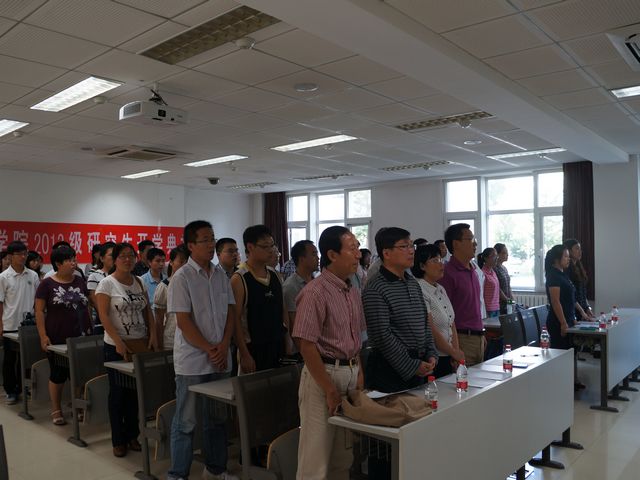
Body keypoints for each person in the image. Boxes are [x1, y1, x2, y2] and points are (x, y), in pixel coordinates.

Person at [293, 226, 365, 480]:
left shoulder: (352, 289)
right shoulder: (315, 292)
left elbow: (355, 337)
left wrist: (359, 372)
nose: (358, 255)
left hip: (349, 373)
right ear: (333, 255)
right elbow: (306, 345)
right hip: (323, 375)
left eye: (358, 248)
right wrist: (329, 389)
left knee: (342, 458)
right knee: (316, 460)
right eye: (352, 249)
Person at [167, 221, 237, 480]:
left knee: (216, 419)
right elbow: (184, 322)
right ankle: (178, 474)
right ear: (191, 245)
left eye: (212, 239)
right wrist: (210, 349)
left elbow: (230, 312)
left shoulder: (221, 275)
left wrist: (224, 345)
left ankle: (215, 469)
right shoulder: (182, 278)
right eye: (205, 240)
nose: (211, 244)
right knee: (186, 421)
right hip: (193, 362)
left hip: (220, 358)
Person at [95, 242, 156, 458]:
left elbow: (147, 311)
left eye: (131, 255)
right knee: (118, 394)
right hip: (116, 347)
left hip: (139, 343)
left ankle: (132, 435)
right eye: (122, 256)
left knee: (134, 393)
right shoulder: (107, 283)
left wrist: (153, 334)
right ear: (114, 260)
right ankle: (118, 440)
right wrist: (117, 340)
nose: (128, 260)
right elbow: (103, 315)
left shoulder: (139, 281)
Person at [363, 227, 438, 393]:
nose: (411, 251)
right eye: (404, 246)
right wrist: (411, 365)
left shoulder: (413, 283)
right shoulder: (375, 288)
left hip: (419, 365)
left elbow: (425, 323)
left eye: (412, 246)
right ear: (386, 253)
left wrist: (431, 353)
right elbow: (382, 336)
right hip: (389, 370)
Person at [35, 246, 91, 425]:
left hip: (81, 335)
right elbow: (39, 311)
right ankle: (56, 408)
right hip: (57, 337)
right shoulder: (46, 284)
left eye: (74, 259)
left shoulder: (80, 280)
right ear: (58, 264)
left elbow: (88, 306)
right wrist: (43, 336)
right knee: (58, 374)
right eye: (69, 260)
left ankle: (77, 405)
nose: (74, 263)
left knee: (80, 373)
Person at [231, 225, 286, 373]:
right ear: (250, 247)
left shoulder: (275, 275)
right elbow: (235, 320)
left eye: (272, 245)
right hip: (253, 349)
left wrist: (287, 342)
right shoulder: (239, 278)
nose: (271, 250)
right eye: (265, 246)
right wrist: (244, 354)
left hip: (277, 345)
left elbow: (283, 311)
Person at [412, 244, 464, 378]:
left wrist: (455, 351)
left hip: (448, 355)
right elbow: (431, 329)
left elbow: (451, 322)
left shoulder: (440, 288)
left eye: (441, 259)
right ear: (422, 266)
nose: (441, 264)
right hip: (433, 358)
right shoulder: (419, 288)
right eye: (435, 260)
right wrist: (453, 352)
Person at [0, 241, 40, 404]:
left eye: (25, 253)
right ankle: (11, 390)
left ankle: (23, 386)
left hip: (29, 325)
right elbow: (0, 303)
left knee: (26, 358)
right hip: (10, 324)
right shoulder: (3, 277)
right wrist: (0, 325)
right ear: (10, 256)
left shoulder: (33, 275)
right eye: (19, 254)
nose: (23, 257)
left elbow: (38, 300)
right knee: (10, 359)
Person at [439, 223, 484, 366]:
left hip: (478, 337)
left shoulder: (473, 270)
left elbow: (475, 307)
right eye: (470, 239)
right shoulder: (447, 273)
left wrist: (481, 334)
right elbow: (445, 314)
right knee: (464, 379)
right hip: (461, 339)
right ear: (456, 244)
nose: (475, 244)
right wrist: (455, 348)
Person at [545, 245, 591, 350]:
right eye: (565, 256)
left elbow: (571, 299)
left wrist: (575, 317)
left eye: (568, 256)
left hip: (568, 319)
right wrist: (563, 323)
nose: (568, 259)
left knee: (571, 352)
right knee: (561, 352)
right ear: (557, 259)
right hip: (558, 321)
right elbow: (555, 301)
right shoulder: (553, 275)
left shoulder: (563, 274)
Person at [282, 240, 318, 358]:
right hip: (302, 350)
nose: (318, 258)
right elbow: (293, 324)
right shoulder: (290, 286)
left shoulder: (317, 282)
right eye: (313, 254)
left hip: (318, 345)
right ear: (301, 259)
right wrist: (306, 353)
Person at [153, 244, 189, 350]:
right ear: (171, 263)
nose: (185, 265)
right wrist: (159, 344)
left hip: (191, 341)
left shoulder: (195, 285)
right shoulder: (164, 286)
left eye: (187, 262)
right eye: (181, 261)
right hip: (171, 342)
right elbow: (159, 320)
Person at [564, 239, 594, 319]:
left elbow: (583, 291)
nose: (580, 251)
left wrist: (587, 308)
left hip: (582, 309)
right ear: (569, 251)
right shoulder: (567, 269)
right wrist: (581, 311)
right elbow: (570, 294)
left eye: (580, 249)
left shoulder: (579, 266)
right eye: (577, 249)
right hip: (573, 310)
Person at [477, 248, 500, 317]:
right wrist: (484, 312)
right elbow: (480, 294)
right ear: (486, 258)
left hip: (496, 308)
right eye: (493, 256)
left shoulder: (493, 272)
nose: (496, 258)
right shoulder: (482, 274)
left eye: (496, 256)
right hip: (488, 310)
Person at [493, 243, 514, 314]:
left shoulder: (504, 268)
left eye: (507, 252)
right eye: (504, 253)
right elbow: (498, 288)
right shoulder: (494, 268)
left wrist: (512, 299)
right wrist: (507, 300)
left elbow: (508, 285)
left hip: (507, 303)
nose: (507, 255)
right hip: (500, 304)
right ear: (497, 255)